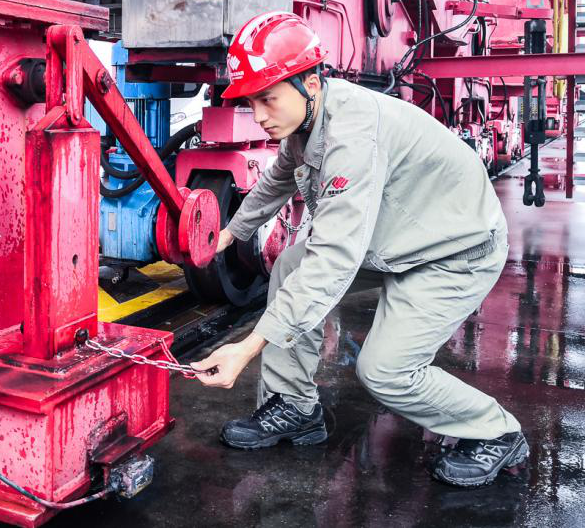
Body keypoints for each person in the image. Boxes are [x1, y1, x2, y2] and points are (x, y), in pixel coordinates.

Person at [189, 11, 527, 488]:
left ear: (310, 81)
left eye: (267, 99)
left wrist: (246, 348)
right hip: (400, 240)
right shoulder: (310, 119)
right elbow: (279, 179)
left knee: (386, 370)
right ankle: (295, 408)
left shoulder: (352, 134)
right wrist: (229, 234)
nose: (259, 115)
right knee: (289, 264)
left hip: (455, 253)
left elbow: (333, 259)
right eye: (251, 101)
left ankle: (496, 431)